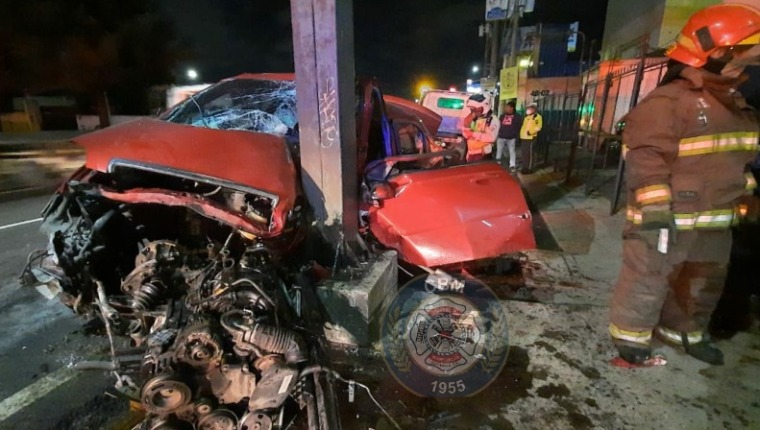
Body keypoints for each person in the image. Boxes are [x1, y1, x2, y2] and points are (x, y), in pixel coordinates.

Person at [608, 3, 760, 366]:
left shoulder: (734, 103)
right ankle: (631, 337)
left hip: (715, 219)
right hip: (668, 217)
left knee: (702, 281)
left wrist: (747, 194)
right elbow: (646, 156)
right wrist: (655, 205)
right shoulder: (669, 102)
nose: (753, 59)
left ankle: (686, 333)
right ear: (720, 51)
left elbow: (733, 159)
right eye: (748, 50)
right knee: (648, 278)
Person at [462, 94, 499, 161]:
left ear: (485, 106)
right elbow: (466, 134)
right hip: (471, 154)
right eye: (472, 109)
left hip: (483, 155)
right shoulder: (475, 118)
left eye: (476, 108)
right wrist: (466, 127)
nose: (474, 111)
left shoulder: (492, 119)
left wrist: (473, 134)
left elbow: (492, 138)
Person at [496, 101, 523, 171]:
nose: (506, 108)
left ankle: (512, 165)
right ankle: (497, 163)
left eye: (507, 107)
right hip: (501, 136)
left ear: (512, 108)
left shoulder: (517, 117)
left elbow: (519, 127)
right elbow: (498, 125)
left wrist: (516, 136)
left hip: (511, 138)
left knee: (512, 151)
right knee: (499, 150)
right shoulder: (502, 116)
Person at [519, 102, 543, 174]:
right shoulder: (527, 117)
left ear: (534, 109)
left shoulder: (537, 117)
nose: (528, 109)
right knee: (524, 154)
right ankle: (525, 167)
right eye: (528, 108)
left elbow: (538, 127)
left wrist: (531, 132)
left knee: (530, 154)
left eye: (529, 108)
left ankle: (529, 168)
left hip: (531, 138)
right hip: (524, 137)